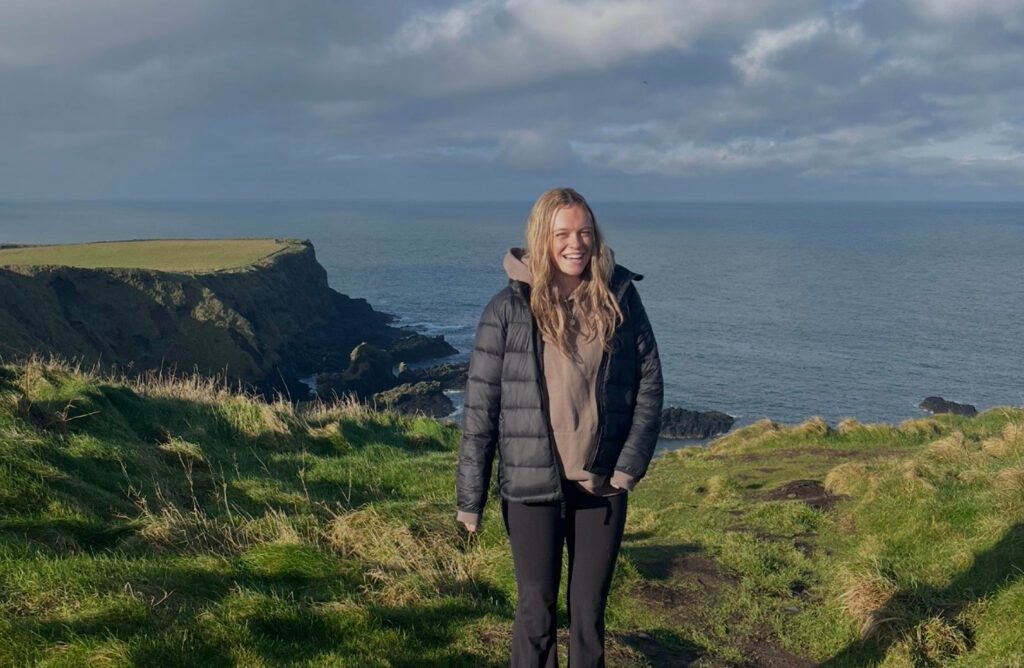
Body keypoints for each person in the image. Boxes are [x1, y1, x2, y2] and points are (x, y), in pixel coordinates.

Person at [456, 187, 663, 667]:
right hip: (531, 487)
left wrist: (628, 467)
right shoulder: (506, 310)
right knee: (535, 613)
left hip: (602, 484)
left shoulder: (621, 300)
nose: (577, 243)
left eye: (585, 232)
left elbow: (649, 383)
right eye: (563, 233)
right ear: (542, 238)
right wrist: (471, 500)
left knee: (589, 616)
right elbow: (480, 411)